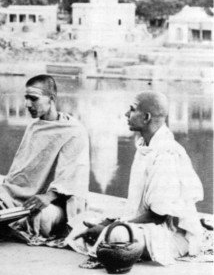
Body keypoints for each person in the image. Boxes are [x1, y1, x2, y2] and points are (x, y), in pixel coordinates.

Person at [70, 91, 204, 265]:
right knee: (81, 221)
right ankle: (109, 235)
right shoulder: (145, 147)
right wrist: (109, 221)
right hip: (147, 228)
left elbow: (158, 216)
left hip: (169, 236)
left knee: (117, 235)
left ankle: (110, 237)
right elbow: (136, 207)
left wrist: (110, 227)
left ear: (146, 117)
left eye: (132, 109)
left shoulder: (167, 153)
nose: (126, 114)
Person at [0, 74, 90, 238]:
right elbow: (21, 171)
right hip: (24, 197)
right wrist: (4, 193)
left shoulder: (74, 131)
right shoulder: (34, 127)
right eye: (26, 98)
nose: (27, 104)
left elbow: (74, 177)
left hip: (57, 203)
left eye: (33, 98)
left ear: (51, 98)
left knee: (38, 217)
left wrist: (48, 196)